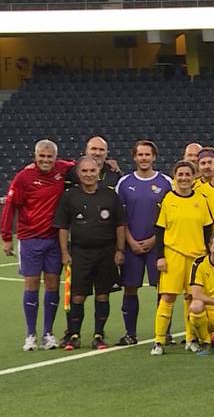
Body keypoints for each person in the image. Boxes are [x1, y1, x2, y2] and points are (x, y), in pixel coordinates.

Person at [2, 139, 75, 351]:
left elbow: (83, 165)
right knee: (32, 283)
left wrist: (107, 163)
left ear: (55, 157)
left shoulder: (63, 169)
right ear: (35, 156)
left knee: (52, 284)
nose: (45, 160)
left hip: (54, 239)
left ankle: (48, 333)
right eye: (41, 156)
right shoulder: (23, 177)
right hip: (29, 238)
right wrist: (6, 236)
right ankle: (31, 334)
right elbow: (10, 206)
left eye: (49, 156)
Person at [53, 156, 126, 350]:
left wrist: (120, 250)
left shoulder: (110, 195)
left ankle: (98, 335)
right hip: (79, 252)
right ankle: (74, 334)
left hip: (106, 252)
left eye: (92, 171)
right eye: (84, 171)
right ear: (78, 173)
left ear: (98, 173)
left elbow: (120, 224)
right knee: (77, 295)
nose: (88, 175)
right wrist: (64, 252)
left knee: (103, 294)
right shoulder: (70, 196)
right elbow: (62, 227)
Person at [151, 161, 213, 356]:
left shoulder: (202, 200)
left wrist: (206, 255)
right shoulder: (167, 199)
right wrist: (160, 256)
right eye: (181, 174)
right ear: (175, 176)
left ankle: (190, 339)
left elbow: (207, 229)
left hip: (196, 257)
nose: (184, 178)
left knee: (191, 298)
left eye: (188, 174)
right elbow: (159, 230)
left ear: (194, 177)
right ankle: (159, 341)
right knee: (167, 297)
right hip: (173, 255)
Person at [115, 140, 173, 346]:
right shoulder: (124, 183)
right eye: (140, 155)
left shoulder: (166, 182)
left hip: (158, 246)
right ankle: (130, 333)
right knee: (130, 287)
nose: (144, 158)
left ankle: (164, 333)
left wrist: (154, 240)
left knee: (163, 289)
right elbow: (120, 218)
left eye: (147, 154)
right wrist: (129, 242)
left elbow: (171, 216)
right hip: (132, 246)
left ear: (154, 157)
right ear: (134, 157)